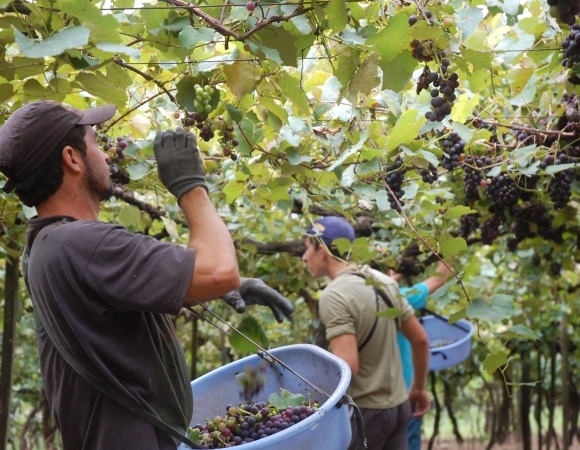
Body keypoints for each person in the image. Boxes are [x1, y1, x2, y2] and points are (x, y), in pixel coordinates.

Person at [0, 101, 294, 449]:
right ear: (72, 158)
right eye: (95, 143)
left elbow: (110, 316)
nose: (106, 156)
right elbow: (220, 270)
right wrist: (190, 186)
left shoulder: (44, 245)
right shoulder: (81, 242)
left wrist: (208, 287)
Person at [301, 216, 430, 450]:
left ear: (322, 250)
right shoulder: (383, 281)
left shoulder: (334, 295)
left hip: (366, 414)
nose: (303, 256)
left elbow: (349, 365)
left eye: (307, 248)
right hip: (399, 407)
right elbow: (420, 340)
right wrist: (418, 389)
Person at [388, 261, 452, 450]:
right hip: (406, 394)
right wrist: (448, 248)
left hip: (373, 403)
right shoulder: (397, 297)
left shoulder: (349, 300)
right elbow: (439, 279)